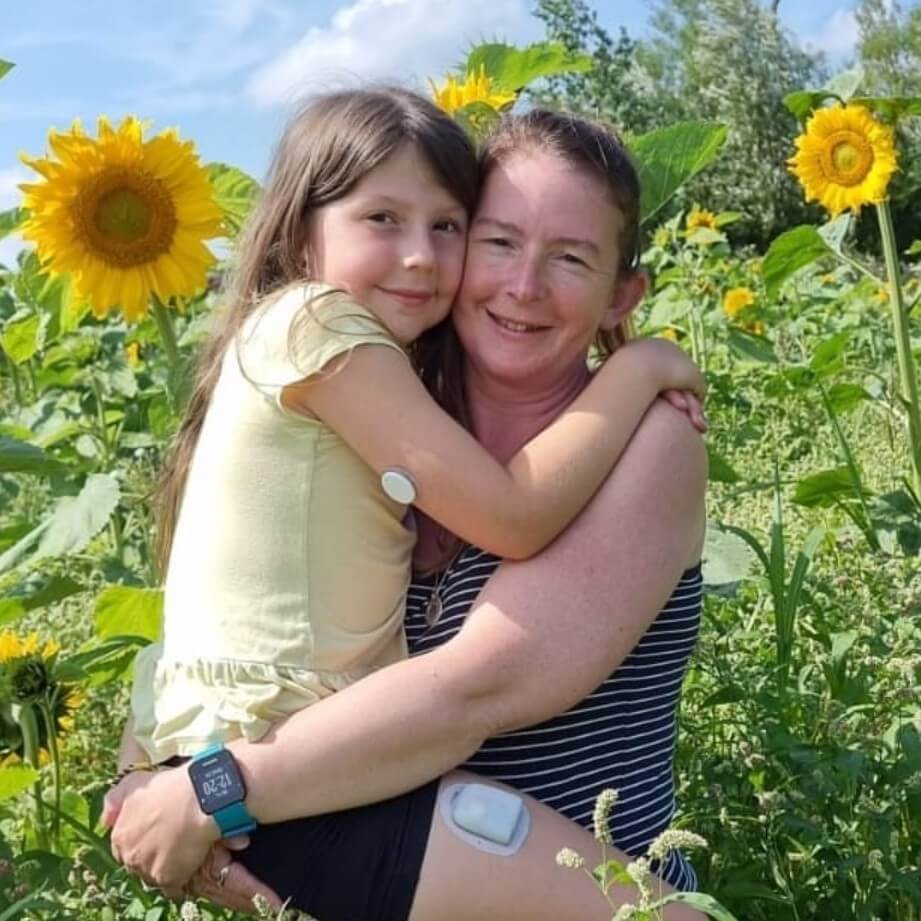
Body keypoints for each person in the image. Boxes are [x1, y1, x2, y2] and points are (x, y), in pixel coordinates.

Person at [106, 105, 709, 921]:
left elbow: (477, 688)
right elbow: (228, 600)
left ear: (620, 294)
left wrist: (211, 789)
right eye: (496, 240)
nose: (522, 285)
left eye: (569, 258)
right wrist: (145, 781)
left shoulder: (653, 445)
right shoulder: (375, 419)